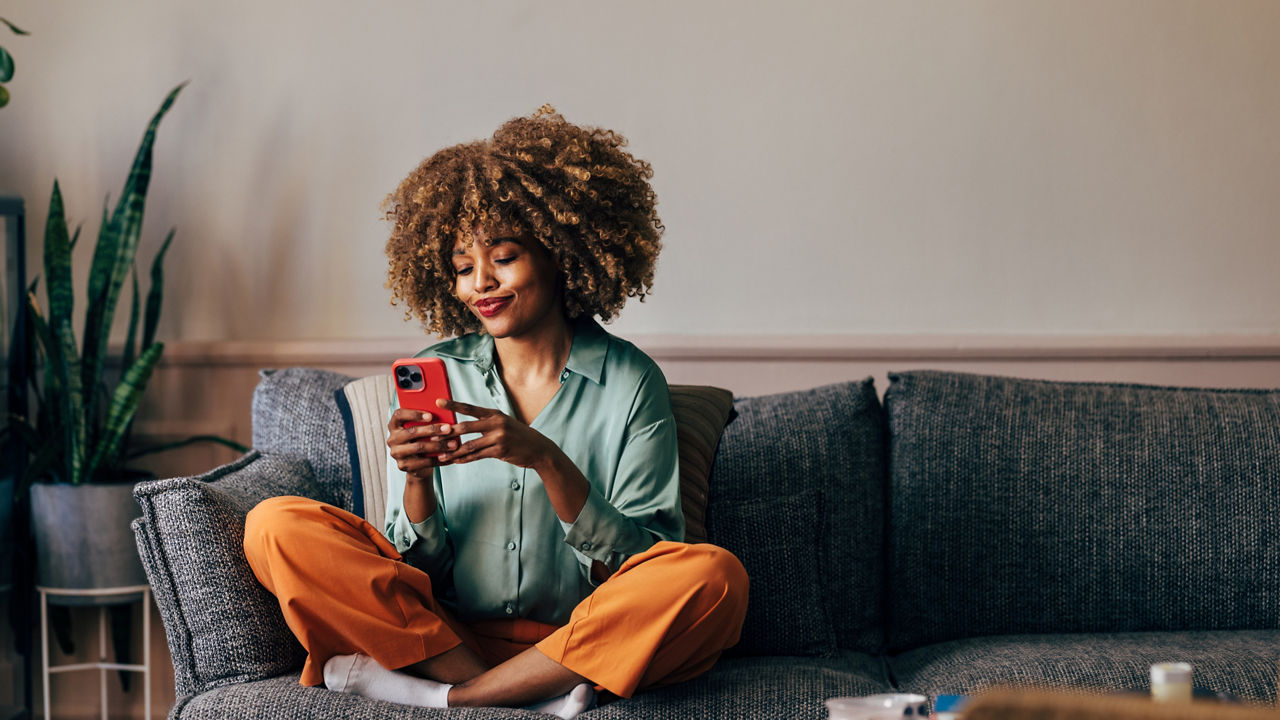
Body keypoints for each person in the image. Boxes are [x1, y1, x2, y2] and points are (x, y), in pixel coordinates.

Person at [243, 106, 749, 718]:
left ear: (560, 254)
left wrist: (544, 458)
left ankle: (459, 700)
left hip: (579, 641)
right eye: (462, 268)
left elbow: (645, 562)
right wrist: (416, 481)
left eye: (503, 258)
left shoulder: (630, 381)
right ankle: (519, 698)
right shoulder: (439, 372)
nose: (479, 283)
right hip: (446, 636)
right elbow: (411, 572)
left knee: (713, 577)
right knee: (275, 524)